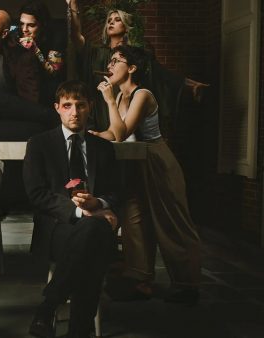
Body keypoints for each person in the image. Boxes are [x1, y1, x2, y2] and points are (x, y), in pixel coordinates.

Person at [93, 45, 201, 304]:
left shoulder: (143, 94)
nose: (110, 65)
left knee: (171, 220)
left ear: (131, 68)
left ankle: (187, 284)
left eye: (117, 60)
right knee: (134, 218)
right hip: (133, 160)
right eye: (110, 60)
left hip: (156, 159)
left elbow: (121, 133)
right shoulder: (119, 96)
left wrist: (108, 99)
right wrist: (94, 136)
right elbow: (113, 132)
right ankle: (139, 280)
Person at [23, 80, 121, 338]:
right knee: (95, 239)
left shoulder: (103, 148)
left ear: (90, 107)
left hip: (94, 225)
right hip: (57, 228)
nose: (74, 112)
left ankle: (48, 307)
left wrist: (97, 204)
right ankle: (79, 330)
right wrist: (80, 211)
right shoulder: (39, 144)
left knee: (93, 234)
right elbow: (36, 194)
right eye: (67, 105)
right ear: (57, 108)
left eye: (80, 105)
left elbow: (116, 192)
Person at [69, 0, 209, 134]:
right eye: (109, 20)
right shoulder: (96, 52)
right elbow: (76, 36)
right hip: (101, 107)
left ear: (126, 26)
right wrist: (74, 7)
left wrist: (190, 84)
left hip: (126, 107)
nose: (111, 22)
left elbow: (160, 73)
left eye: (117, 20)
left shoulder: (134, 55)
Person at [17, 0, 67, 107]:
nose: (24, 29)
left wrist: (35, 49)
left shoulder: (55, 39)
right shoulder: (18, 33)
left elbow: (53, 72)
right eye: (22, 24)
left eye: (31, 25)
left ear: (42, 25)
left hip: (48, 97)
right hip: (24, 94)